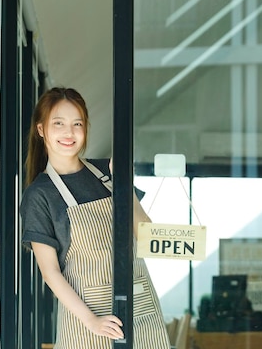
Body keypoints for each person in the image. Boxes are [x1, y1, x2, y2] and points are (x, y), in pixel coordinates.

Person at [20, 87, 171, 348]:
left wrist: (124, 184)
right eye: (59, 124)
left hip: (142, 311)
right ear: (41, 129)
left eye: (77, 124)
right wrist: (92, 321)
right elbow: (50, 273)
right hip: (87, 322)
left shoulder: (106, 172)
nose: (69, 133)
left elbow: (146, 235)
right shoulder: (40, 194)